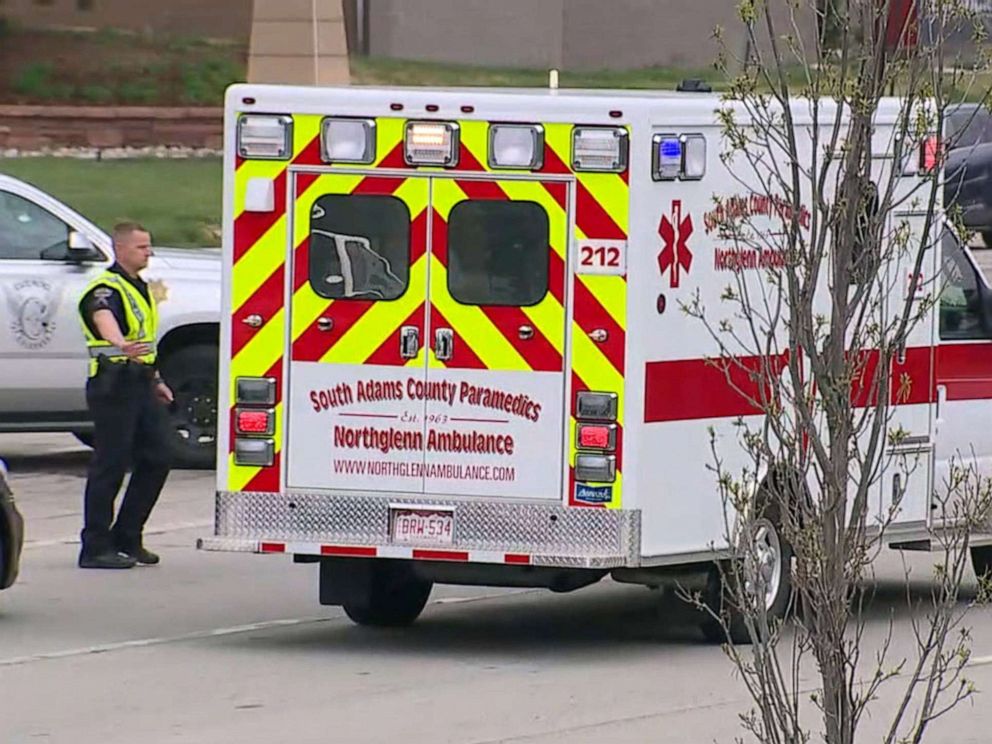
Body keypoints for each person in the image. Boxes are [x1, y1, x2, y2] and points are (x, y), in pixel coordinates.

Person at [76, 222, 174, 569]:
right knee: (111, 463)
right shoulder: (106, 288)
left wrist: (156, 378)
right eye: (141, 248)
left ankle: (128, 537)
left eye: (149, 247)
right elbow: (102, 317)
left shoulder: (140, 288)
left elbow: (144, 339)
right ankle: (95, 546)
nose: (148, 253)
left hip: (140, 380)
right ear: (120, 250)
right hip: (113, 383)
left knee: (161, 454)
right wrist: (119, 343)